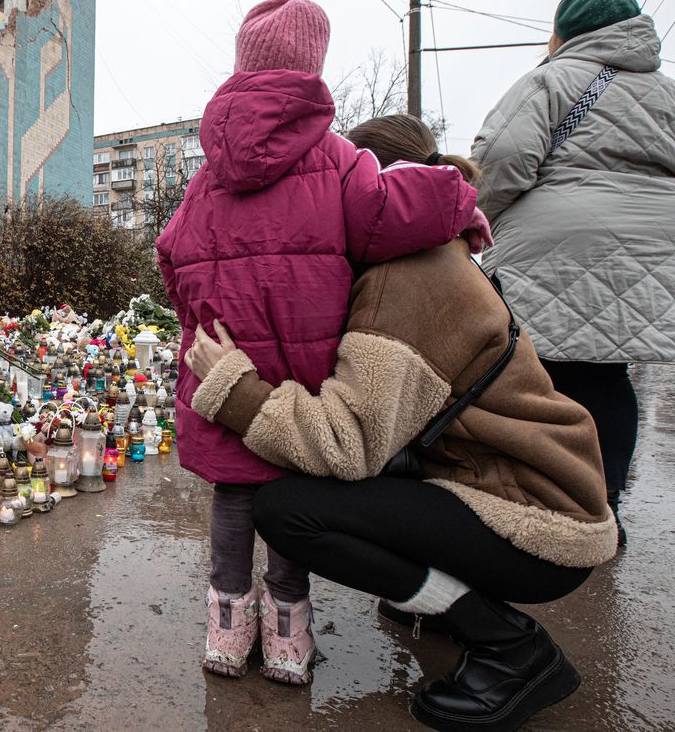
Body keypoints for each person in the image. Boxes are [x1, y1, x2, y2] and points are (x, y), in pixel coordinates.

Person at [182, 113, 615, 732]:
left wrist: (234, 389)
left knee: (287, 511)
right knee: (347, 506)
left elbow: (347, 443)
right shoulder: (429, 253)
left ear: (372, 188)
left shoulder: (405, 276)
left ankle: (511, 648)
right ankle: (445, 602)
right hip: (519, 484)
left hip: (537, 519)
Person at [155, 0, 482, 685]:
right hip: (295, 383)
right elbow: (395, 213)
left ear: (242, 63)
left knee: (234, 503)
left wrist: (199, 319)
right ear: (313, 66)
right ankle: (286, 638)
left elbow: (170, 254)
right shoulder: (338, 161)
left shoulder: (206, 177)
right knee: (288, 503)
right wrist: (462, 208)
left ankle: (224, 631)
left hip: (221, 370)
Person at [472, 0, 675, 546]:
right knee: (610, 376)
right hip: (653, 250)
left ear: (565, 31)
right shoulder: (666, 91)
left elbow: (501, 160)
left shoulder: (551, 79)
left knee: (540, 376)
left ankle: (545, 503)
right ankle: (604, 507)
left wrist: (474, 221)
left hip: (556, 246)